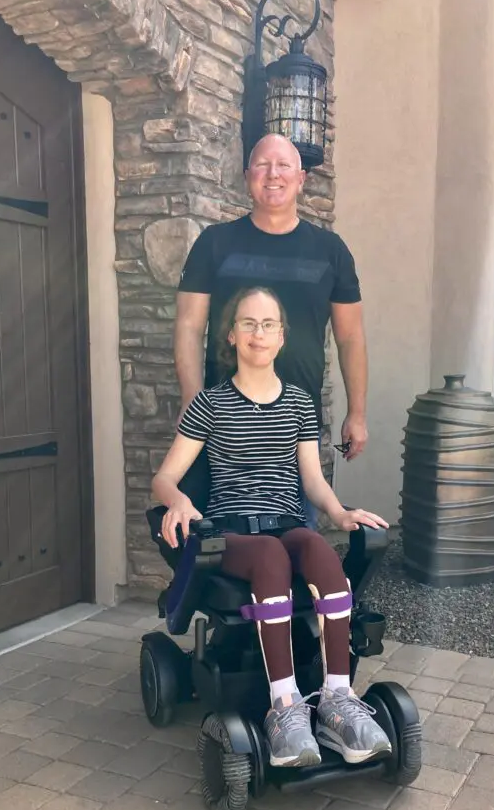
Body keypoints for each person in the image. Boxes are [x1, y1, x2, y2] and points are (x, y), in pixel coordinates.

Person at [153, 286, 391, 769]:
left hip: (286, 523)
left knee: (318, 549)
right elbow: (165, 477)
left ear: (282, 337)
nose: (258, 333)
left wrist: (340, 513)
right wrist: (177, 500)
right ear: (232, 334)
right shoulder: (211, 404)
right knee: (271, 556)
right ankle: (285, 709)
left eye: (268, 325)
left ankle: (336, 700)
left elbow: (313, 481)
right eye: (248, 323)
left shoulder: (300, 404)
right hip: (235, 534)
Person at [174, 134, 369, 523]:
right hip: (222, 430)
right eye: (262, 165)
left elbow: (350, 337)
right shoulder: (214, 244)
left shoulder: (330, 251)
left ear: (301, 179)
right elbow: (189, 325)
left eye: (283, 166)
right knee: (213, 551)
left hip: (295, 431)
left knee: (295, 546)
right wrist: (192, 401)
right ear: (247, 177)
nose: (272, 174)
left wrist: (357, 413)